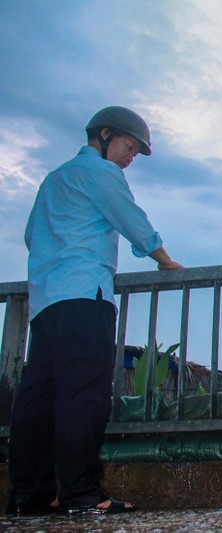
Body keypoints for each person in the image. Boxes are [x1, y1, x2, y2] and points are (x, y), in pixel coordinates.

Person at [8, 106, 183, 516]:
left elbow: (32, 235)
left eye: (136, 152)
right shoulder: (102, 174)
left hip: (46, 303)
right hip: (86, 295)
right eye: (128, 146)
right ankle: (82, 494)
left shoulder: (53, 180)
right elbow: (131, 220)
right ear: (104, 134)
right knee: (83, 396)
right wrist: (164, 258)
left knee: (38, 399)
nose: (130, 157)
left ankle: (29, 494)